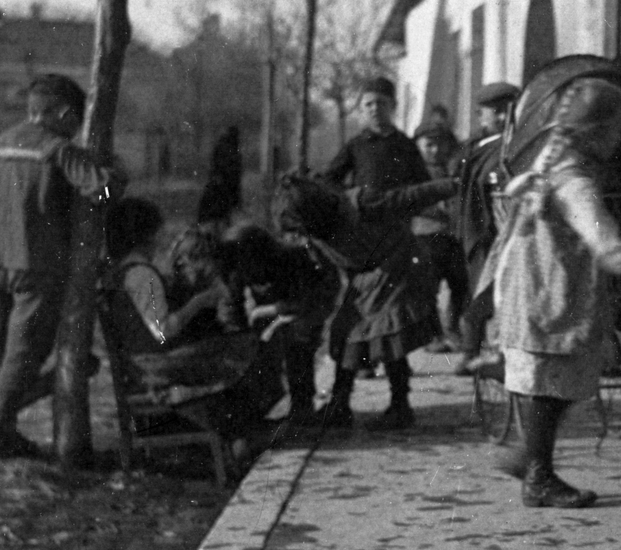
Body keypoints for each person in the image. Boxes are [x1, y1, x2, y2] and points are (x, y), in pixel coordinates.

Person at [487, 76, 621, 509]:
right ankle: (538, 476)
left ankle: (529, 454)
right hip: (551, 293)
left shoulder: (549, 159)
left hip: (532, 286)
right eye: (616, 128)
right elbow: (603, 242)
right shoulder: (575, 179)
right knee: (552, 383)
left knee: (551, 383)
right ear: (595, 128)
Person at [0, 74, 119, 458]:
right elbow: (103, 189)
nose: (77, 132)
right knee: (26, 351)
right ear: (62, 114)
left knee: (0, 349)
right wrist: (116, 174)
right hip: (35, 261)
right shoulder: (58, 150)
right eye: (75, 123)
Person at [273, 171, 459, 431]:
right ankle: (340, 405)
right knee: (345, 332)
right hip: (365, 275)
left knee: (386, 332)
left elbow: (409, 197)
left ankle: (399, 405)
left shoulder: (361, 204)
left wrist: (453, 185)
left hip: (398, 264)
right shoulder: (314, 233)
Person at [102, 198, 283, 450]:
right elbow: (163, 331)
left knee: (238, 345)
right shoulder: (142, 275)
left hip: (143, 363)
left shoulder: (121, 271)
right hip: (154, 367)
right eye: (156, 233)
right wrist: (200, 301)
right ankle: (238, 432)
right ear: (144, 235)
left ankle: (240, 430)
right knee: (250, 349)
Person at [219, 224, 340, 429]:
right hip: (276, 305)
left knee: (297, 340)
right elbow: (231, 305)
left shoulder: (292, 258)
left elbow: (304, 302)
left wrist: (265, 312)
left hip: (313, 299)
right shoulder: (237, 264)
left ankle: (302, 407)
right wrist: (238, 335)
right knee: (254, 349)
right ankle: (260, 406)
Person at [453, 81, 521, 375]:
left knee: (492, 290)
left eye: (506, 112)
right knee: (481, 287)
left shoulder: (517, 144)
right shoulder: (478, 147)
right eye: (491, 113)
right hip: (485, 226)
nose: (500, 119)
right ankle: (473, 350)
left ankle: (484, 350)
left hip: (504, 225)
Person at [412, 121, 469, 354]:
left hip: (453, 236)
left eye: (440, 145)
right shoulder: (412, 171)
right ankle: (433, 335)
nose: (435, 151)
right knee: (427, 288)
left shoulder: (454, 169)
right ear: (417, 145)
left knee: (460, 285)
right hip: (425, 235)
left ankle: (453, 328)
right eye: (429, 145)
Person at [324, 77, 431, 193]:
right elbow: (330, 180)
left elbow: (423, 185)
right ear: (361, 108)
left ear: (393, 105)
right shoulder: (356, 145)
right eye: (369, 104)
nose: (375, 108)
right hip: (365, 209)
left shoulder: (406, 145)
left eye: (381, 102)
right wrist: (351, 198)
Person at [196, 126, 243, 228]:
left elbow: (214, 165)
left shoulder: (221, 147)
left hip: (218, 184)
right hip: (225, 187)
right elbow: (235, 176)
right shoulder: (234, 152)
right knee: (222, 214)